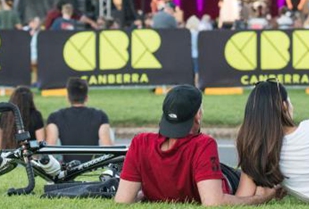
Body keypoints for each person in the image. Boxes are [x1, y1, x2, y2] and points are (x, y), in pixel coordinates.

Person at [115, 85, 277, 205]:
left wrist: (146, 194)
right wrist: (261, 198)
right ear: (198, 115)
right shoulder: (203, 144)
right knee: (252, 169)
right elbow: (214, 202)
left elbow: (123, 200)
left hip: (211, 172)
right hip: (227, 180)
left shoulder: (140, 142)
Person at [46, 77, 113, 163]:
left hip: (68, 167)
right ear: (86, 98)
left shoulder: (54, 117)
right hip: (92, 166)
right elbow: (108, 147)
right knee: (110, 132)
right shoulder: (100, 115)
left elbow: (49, 150)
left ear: (68, 97)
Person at [0, 86, 45, 151]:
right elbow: (40, 142)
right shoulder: (36, 115)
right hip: (29, 155)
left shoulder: (4, 114)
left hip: (8, 154)